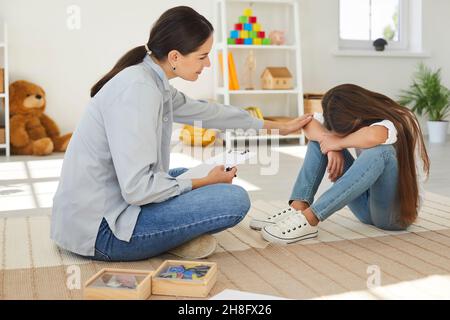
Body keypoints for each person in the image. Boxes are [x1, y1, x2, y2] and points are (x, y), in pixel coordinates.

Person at [50, 6, 312, 261]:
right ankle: (169, 239)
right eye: (202, 56)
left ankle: (171, 236)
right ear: (175, 57)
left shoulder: (151, 79)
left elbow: (210, 113)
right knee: (233, 198)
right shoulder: (139, 90)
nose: (208, 63)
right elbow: (138, 190)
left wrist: (280, 127)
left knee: (181, 175)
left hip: (114, 203)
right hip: (102, 231)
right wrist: (206, 182)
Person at [250, 84, 430, 244]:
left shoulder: (400, 118)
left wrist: (337, 143)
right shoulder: (348, 114)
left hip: (395, 216)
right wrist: (331, 147)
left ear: (357, 118)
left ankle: (310, 219)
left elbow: (374, 136)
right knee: (318, 141)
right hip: (366, 209)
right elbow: (309, 123)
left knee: (381, 152)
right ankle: (298, 208)